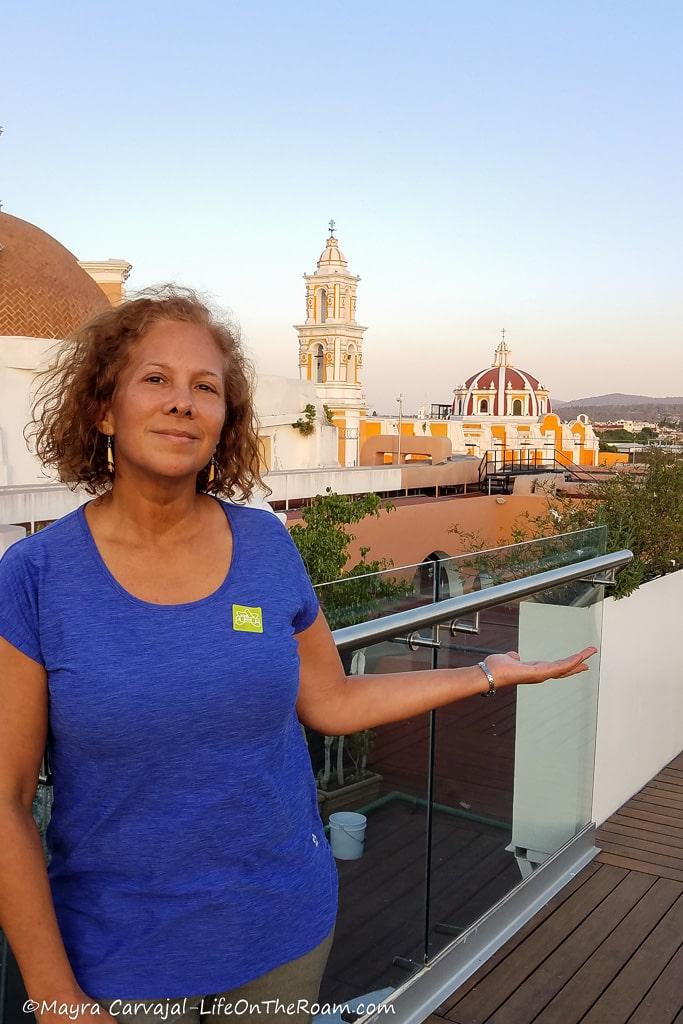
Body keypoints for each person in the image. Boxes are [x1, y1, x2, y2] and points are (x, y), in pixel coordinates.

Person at [0, 287, 597, 1024]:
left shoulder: (265, 545)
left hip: (282, 929)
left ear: (226, 422)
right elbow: (6, 800)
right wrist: (55, 994)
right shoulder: (36, 575)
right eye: (154, 379)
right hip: (121, 956)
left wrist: (485, 672)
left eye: (206, 388)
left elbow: (332, 702)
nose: (182, 403)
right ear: (102, 409)